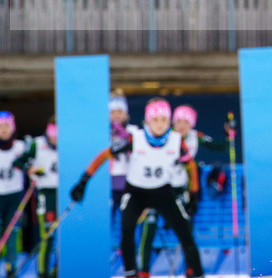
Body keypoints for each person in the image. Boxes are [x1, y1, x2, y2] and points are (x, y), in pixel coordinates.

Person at [71, 98, 205, 278]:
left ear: (169, 122)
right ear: (147, 121)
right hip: (136, 192)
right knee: (127, 230)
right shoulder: (135, 139)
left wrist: (194, 193)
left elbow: (190, 165)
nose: (159, 125)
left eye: (164, 120)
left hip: (162, 191)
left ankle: (197, 273)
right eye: (155, 120)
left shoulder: (176, 140)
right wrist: (84, 181)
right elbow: (105, 154)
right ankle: (131, 273)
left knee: (184, 232)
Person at [138, 104, 226, 276]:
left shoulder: (195, 137)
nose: (182, 125)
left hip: (181, 191)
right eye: (178, 121)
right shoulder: (164, 135)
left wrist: (229, 134)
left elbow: (221, 148)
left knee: (186, 231)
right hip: (158, 189)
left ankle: (191, 270)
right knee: (149, 227)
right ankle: (143, 272)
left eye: (186, 122)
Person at [21, 118, 58, 278]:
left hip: (65, 194)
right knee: (47, 234)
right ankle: (42, 273)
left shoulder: (69, 144)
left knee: (64, 237)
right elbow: (21, 161)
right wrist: (31, 169)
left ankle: (58, 269)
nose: (54, 138)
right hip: (46, 194)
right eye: (52, 133)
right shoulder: (37, 143)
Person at [0, 112, 28, 278]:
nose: (3, 130)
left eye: (6, 126)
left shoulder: (20, 146)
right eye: (0, 127)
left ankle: (12, 266)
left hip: (14, 194)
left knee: (11, 232)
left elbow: (31, 163)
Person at [109, 90, 131, 218]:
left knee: (127, 220)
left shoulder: (133, 131)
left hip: (127, 183)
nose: (117, 115)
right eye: (113, 112)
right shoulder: (103, 134)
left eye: (120, 112)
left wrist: (127, 137)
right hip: (108, 183)